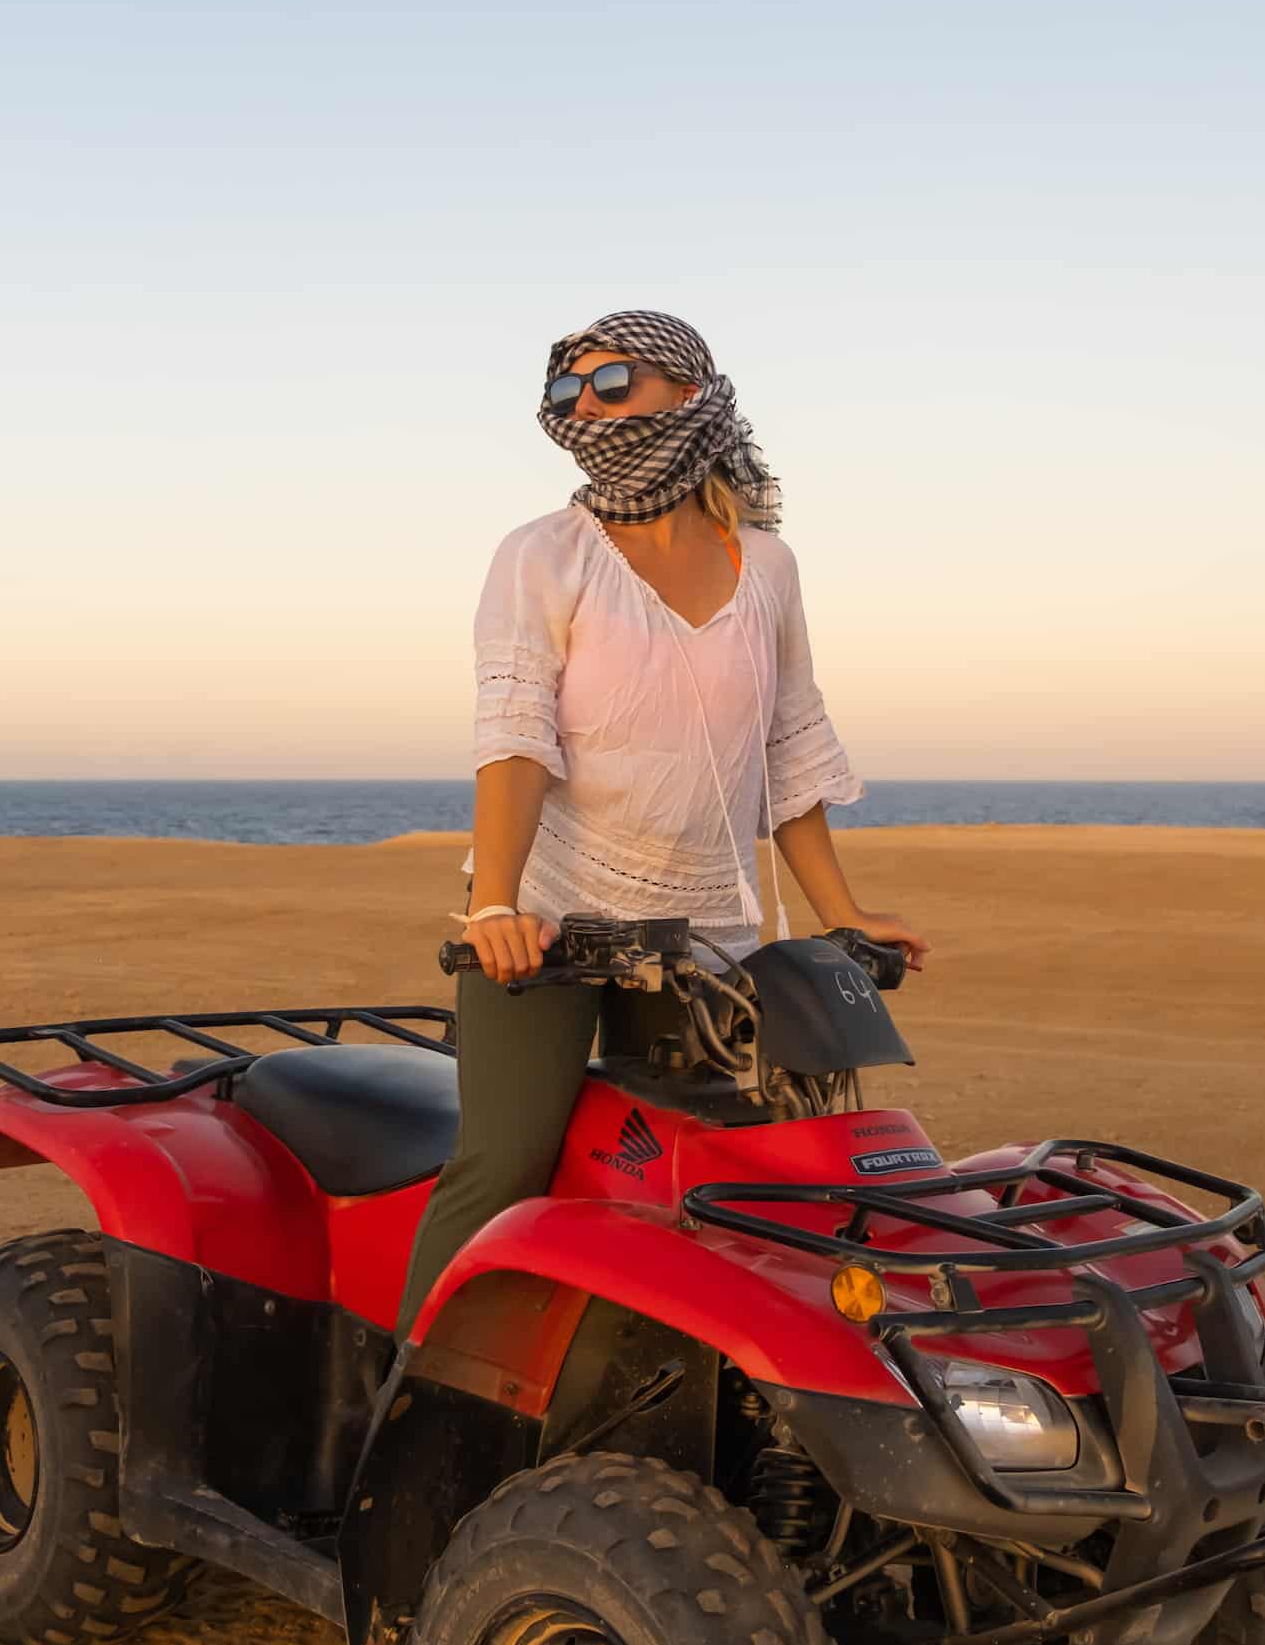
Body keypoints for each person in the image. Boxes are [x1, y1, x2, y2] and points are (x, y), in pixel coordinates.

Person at [393, 309, 928, 1334]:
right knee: (507, 1161)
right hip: (547, 921)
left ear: (691, 393)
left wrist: (844, 916)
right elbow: (514, 733)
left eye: (612, 382)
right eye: (566, 393)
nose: (584, 407)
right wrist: (496, 904)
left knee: (713, 1177)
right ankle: (406, 1406)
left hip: (702, 932)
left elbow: (789, 746)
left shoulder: (765, 566)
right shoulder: (543, 555)